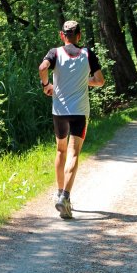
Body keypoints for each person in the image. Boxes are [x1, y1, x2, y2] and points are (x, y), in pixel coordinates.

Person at [39, 20, 105, 219]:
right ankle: (65, 197)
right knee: (73, 153)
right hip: (79, 112)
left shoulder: (55, 53)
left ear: (62, 35)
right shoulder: (87, 53)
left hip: (59, 111)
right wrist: (87, 81)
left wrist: (46, 85)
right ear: (79, 35)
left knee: (60, 150)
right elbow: (100, 81)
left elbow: (43, 67)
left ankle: (59, 192)